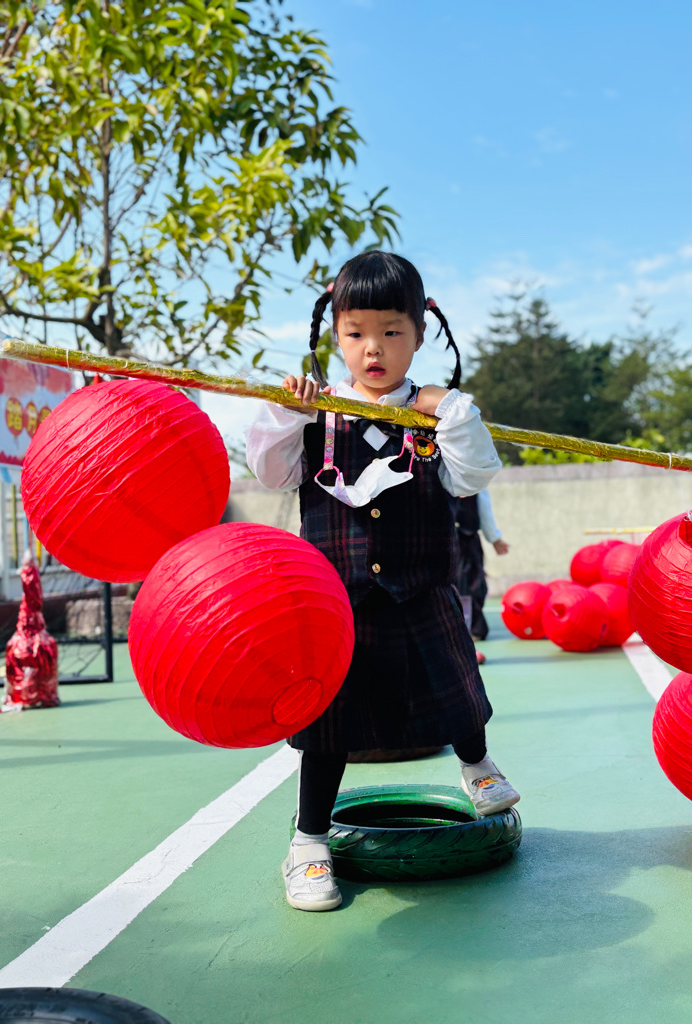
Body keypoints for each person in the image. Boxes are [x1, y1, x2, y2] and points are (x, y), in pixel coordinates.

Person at [245, 252, 520, 913]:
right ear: (335, 338)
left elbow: (472, 477)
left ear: (419, 335)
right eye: (357, 332)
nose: (374, 348)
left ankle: (478, 768)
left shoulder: (435, 418)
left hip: (422, 588)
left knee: (456, 687)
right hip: (337, 602)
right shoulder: (315, 415)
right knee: (328, 729)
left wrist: (453, 410)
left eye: (392, 331)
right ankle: (309, 845)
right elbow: (270, 474)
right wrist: (286, 413)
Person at [452, 489, 510, 657]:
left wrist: (494, 537)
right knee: (466, 585)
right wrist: (494, 537)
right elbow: (484, 506)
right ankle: (466, 631)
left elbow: (483, 506)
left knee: (468, 585)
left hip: (462, 537)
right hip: (455, 537)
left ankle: (469, 630)